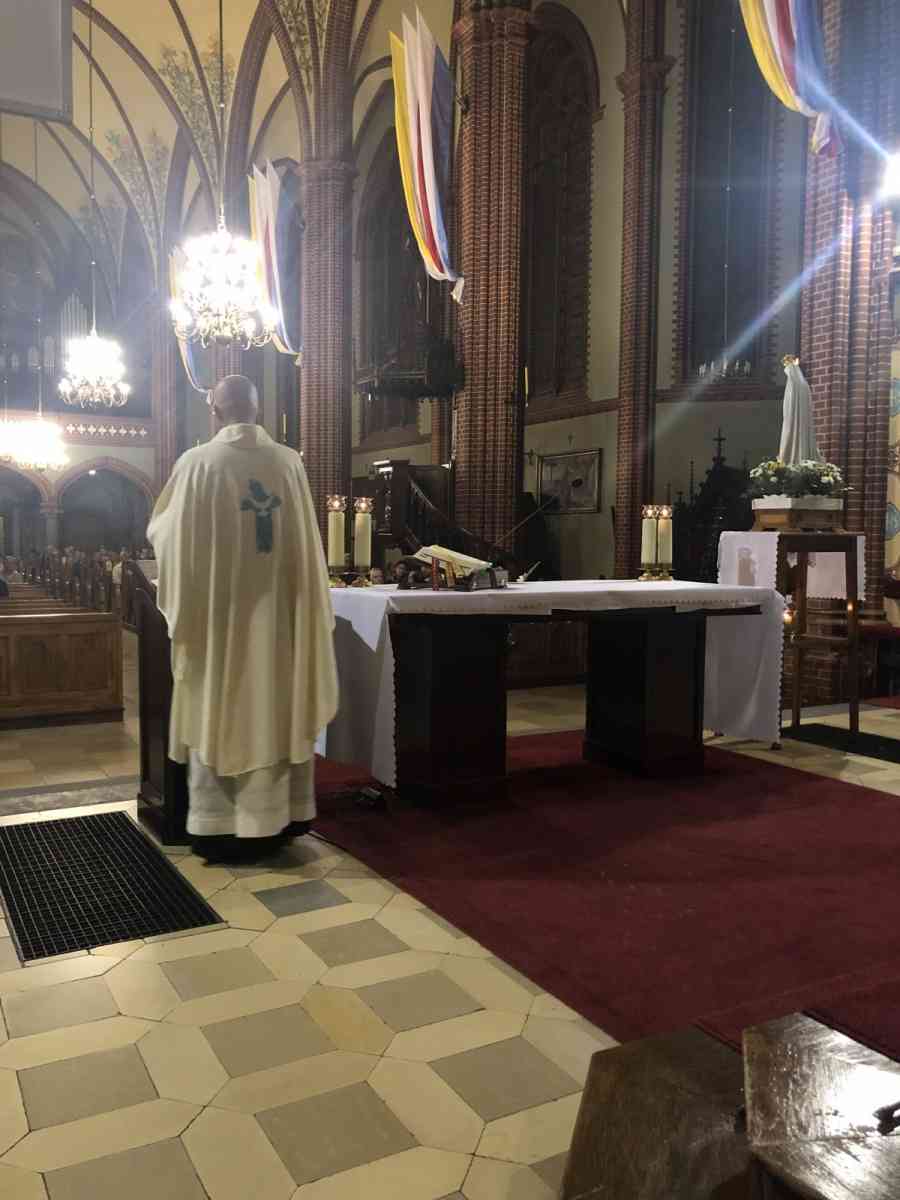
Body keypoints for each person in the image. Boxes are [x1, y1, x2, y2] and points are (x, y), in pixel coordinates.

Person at [148, 375, 338, 863]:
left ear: (215, 411)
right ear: (258, 409)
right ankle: (280, 818)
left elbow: (168, 537)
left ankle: (219, 827)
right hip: (280, 626)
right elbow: (306, 551)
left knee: (221, 706)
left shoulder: (196, 463)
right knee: (274, 705)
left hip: (219, 625)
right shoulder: (289, 463)